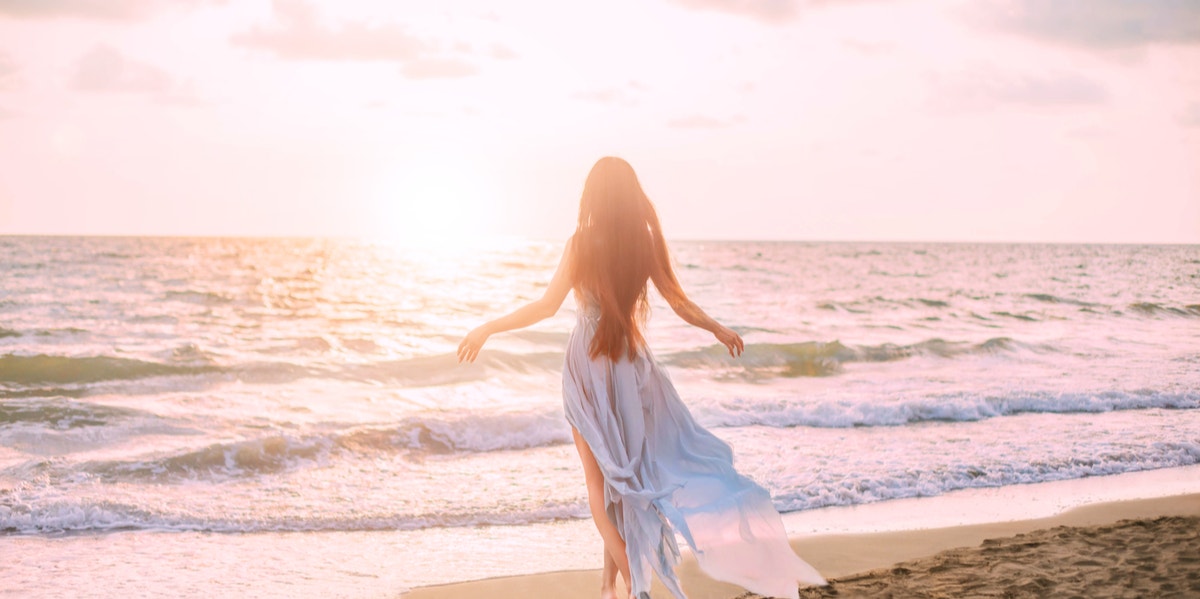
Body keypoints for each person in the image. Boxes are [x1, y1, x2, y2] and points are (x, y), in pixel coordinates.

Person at [457, 157, 825, 599]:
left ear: (592, 196)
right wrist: (716, 328)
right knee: (623, 481)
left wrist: (487, 328)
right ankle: (607, 585)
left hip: (587, 367)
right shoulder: (642, 243)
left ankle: (634, 583)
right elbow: (678, 300)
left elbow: (546, 306)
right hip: (631, 369)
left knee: (600, 483)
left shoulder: (581, 243)